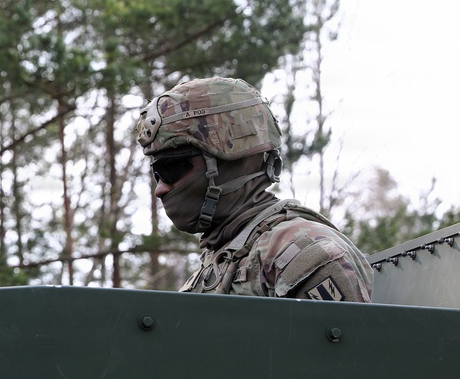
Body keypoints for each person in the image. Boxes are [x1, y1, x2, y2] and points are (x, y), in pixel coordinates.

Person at [136, 76, 372, 301]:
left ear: (229, 163)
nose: (161, 189)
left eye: (171, 169)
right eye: (157, 174)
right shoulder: (222, 261)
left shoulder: (304, 255)